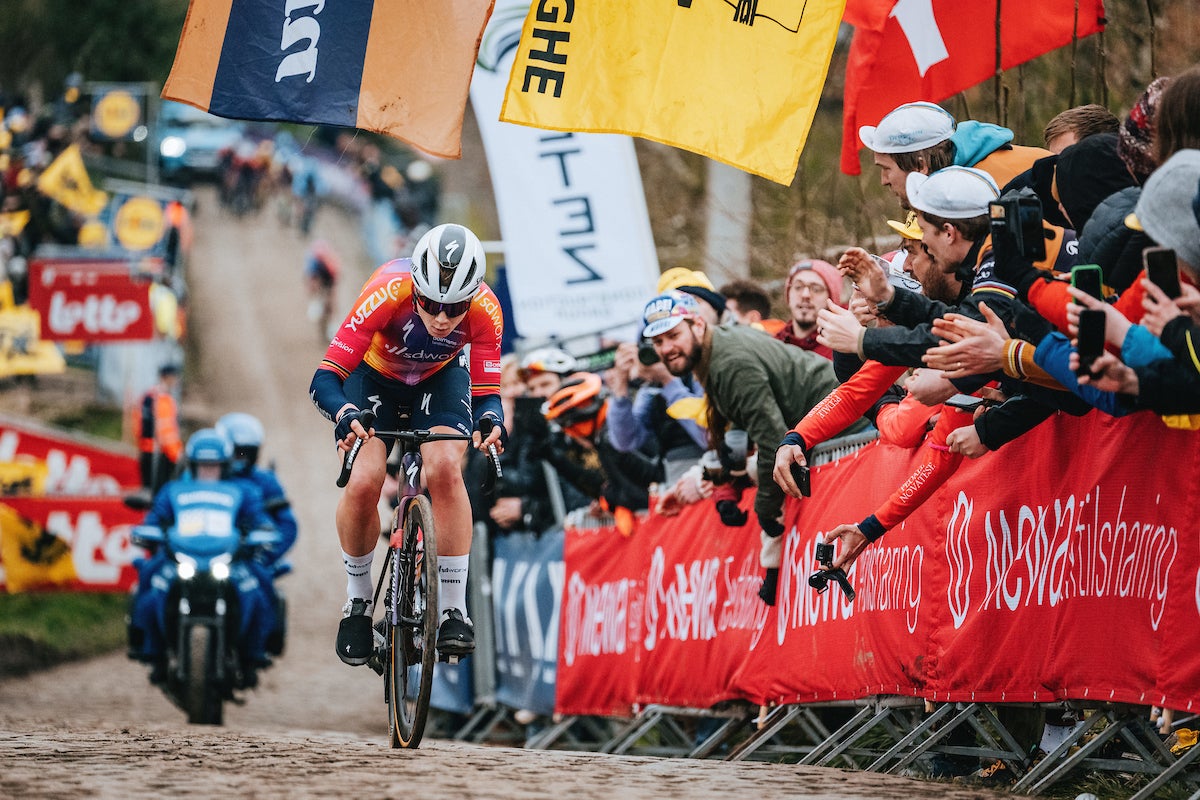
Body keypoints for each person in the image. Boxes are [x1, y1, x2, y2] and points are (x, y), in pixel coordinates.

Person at [309, 223, 505, 667]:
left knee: (445, 468)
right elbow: (325, 378)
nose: (442, 318)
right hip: (373, 378)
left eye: (454, 307)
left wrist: (493, 420)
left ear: (472, 297)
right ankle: (358, 601)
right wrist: (345, 414)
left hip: (438, 379)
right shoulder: (386, 291)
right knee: (365, 479)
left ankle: (453, 609)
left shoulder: (486, 310)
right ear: (415, 288)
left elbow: (488, 393)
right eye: (431, 303)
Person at [642, 290, 865, 604]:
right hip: (830, 424)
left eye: (673, 335)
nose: (666, 348)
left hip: (853, 424)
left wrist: (765, 511)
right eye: (658, 341)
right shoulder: (714, 350)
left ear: (698, 325)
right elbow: (741, 429)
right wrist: (724, 481)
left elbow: (773, 444)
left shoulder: (729, 363)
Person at [128, 428, 277, 686]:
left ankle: (253, 656)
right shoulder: (173, 491)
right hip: (179, 560)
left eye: (214, 466)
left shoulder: (244, 491)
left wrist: (261, 532)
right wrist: (150, 532)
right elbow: (154, 520)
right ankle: (152, 652)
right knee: (150, 584)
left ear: (225, 466)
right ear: (192, 466)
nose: (209, 472)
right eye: (203, 466)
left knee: (259, 592)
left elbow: (260, 521)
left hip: (230, 561)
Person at [775, 259, 845, 358]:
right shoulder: (772, 346)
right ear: (788, 294)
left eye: (816, 289)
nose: (805, 295)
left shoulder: (843, 352)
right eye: (798, 287)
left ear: (832, 299)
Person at [138, 363, 183, 495]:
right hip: (160, 455)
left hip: (146, 452)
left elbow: (138, 424)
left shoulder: (148, 395)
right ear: (166, 377)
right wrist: (177, 455)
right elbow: (166, 432)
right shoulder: (163, 398)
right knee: (159, 495)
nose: (176, 381)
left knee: (148, 493)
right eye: (174, 377)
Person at [304, 239, 341, 343]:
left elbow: (334, 287)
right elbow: (310, 281)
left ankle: (331, 325)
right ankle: (316, 305)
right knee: (316, 291)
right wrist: (314, 298)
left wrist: (331, 301)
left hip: (328, 278)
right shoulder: (313, 263)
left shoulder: (332, 265)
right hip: (318, 276)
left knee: (330, 303)